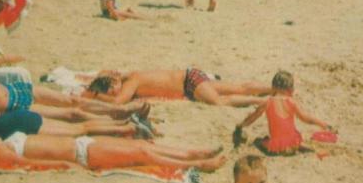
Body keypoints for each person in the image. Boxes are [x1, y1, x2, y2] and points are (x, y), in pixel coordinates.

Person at [0, 36, 146, 120]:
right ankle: (116, 119)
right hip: (11, 107)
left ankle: (119, 110)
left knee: (71, 100)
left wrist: (12, 58)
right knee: (69, 114)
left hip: (18, 90)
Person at [0, 120, 227, 172]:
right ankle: (198, 164)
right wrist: (62, 164)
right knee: (142, 154)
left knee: (143, 145)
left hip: (82, 144)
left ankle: (192, 152)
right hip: (81, 154)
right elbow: (24, 164)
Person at [0, 94, 153, 143]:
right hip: (17, 116)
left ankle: (125, 129)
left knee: (79, 130)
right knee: (79, 125)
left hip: (15, 125)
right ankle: (122, 124)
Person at [233, 71, 331, 155]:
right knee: (290, 137)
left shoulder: (267, 101)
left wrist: (241, 125)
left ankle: (282, 145)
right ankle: (299, 147)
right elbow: (305, 118)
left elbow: (254, 117)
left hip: (277, 149)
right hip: (294, 144)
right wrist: (323, 124)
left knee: (259, 141)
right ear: (289, 89)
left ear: (273, 87)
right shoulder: (292, 101)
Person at [85, 70, 271, 108]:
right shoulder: (130, 75)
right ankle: (274, 88)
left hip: (189, 82)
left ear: (113, 84)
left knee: (220, 102)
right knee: (238, 88)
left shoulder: (131, 81)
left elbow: (119, 102)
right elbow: (104, 72)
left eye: (111, 91)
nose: (114, 94)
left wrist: (95, 97)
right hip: (191, 80)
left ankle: (263, 100)